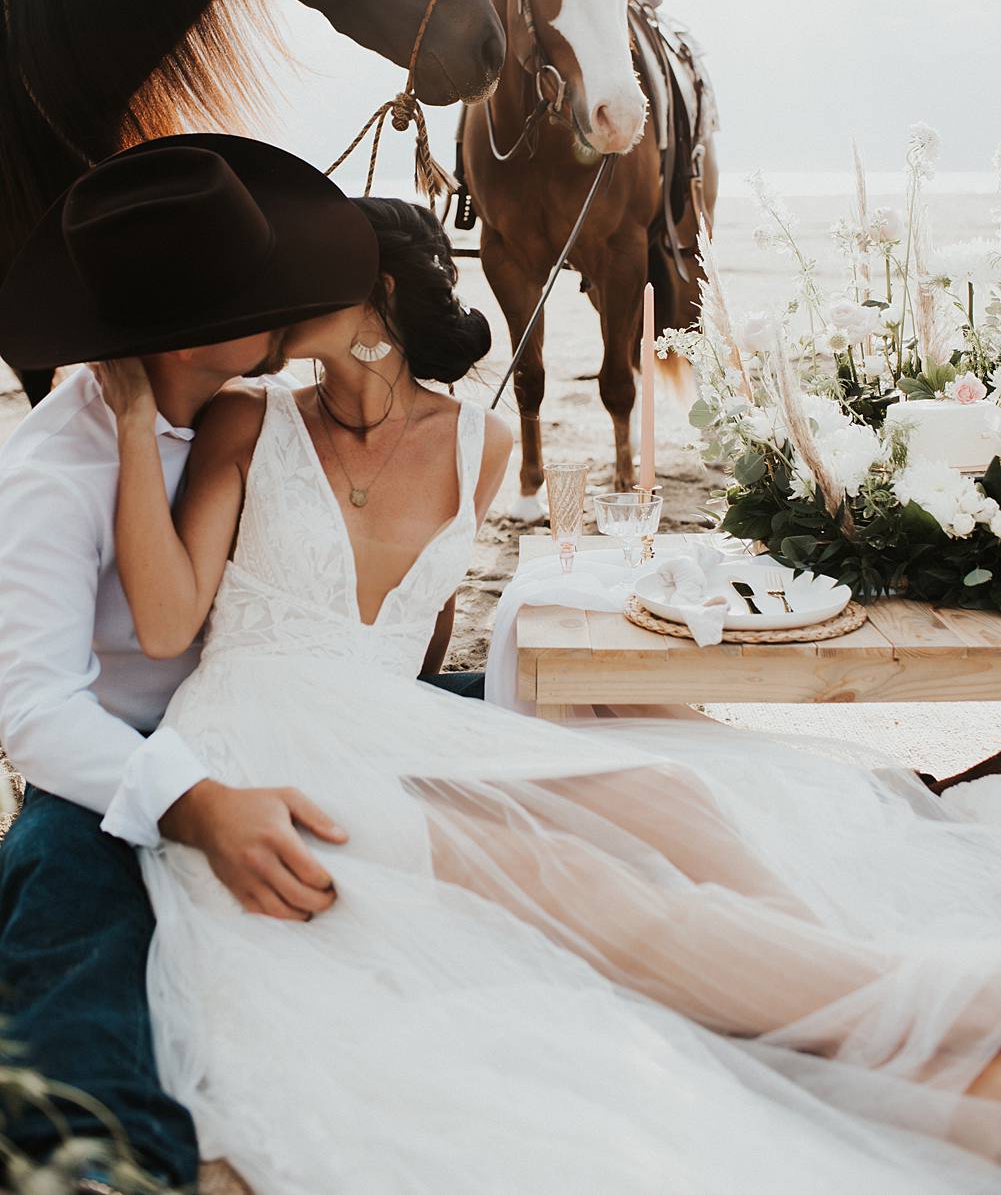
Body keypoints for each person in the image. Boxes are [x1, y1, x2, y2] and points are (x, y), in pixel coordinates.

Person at [95, 195, 1001, 1193]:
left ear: (374, 299)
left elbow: (415, 633)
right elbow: (170, 625)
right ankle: (921, 1013)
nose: (273, 298)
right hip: (264, 734)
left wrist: (441, 747)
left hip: (386, 722)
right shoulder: (246, 419)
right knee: (570, 880)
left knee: (667, 794)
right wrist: (136, 418)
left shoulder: (475, 444)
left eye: (302, 275)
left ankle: (844, 984)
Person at [0, 136, 482, 1192]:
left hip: (310, 701)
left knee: (559, 744)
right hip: (125, 761)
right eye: (266, 285)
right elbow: (35, 711)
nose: (295, 296)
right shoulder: (48, 472)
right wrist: (194, 801)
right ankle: (109, 1159)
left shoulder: (255, 409)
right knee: (64, 917)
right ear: (191, 331)